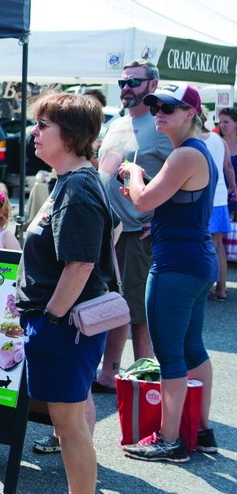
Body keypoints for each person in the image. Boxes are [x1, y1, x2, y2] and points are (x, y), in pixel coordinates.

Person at [17, 92, 117, 494]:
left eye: (43, 125)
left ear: (71, 135)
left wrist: (51, 320)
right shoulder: (72, 181)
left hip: (65, 328)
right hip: (66, 326)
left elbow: (80, 265)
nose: (34, 132)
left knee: (70, 427)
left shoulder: (77, 187)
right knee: (67, 426)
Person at [119, 84, 219, 462]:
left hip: (175, 266)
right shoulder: (195, 151)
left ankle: (171, 439)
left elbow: (143, 200)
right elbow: (171, 205)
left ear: (191, 113)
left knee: (170, 354)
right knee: (192, 347)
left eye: (169, 107)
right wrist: (154, 214)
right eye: (156, 106)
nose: (159, 112)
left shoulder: (184, 154)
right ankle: (201, 430)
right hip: (194, 261)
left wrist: (133, 174)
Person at [91, 60, 173, 393]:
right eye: (122, 82)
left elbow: (185, 178)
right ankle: (110, 373)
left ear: (152, 85)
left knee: (138, 311)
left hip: (137, 231)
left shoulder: (161, 127)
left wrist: (164, 218)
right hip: (108, 231)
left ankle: (145, 383)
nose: (126, 87)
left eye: (133, 82)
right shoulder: (116, 123)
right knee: (112, 305)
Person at [204, 122, 236, 301]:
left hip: (203, 198)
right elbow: (228, 166)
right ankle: (221, 289)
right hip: (220, 196)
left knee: (203, 244)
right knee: (218, 244)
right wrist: (233, 187)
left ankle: (205, 287)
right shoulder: (218, 140)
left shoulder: (191, 140)